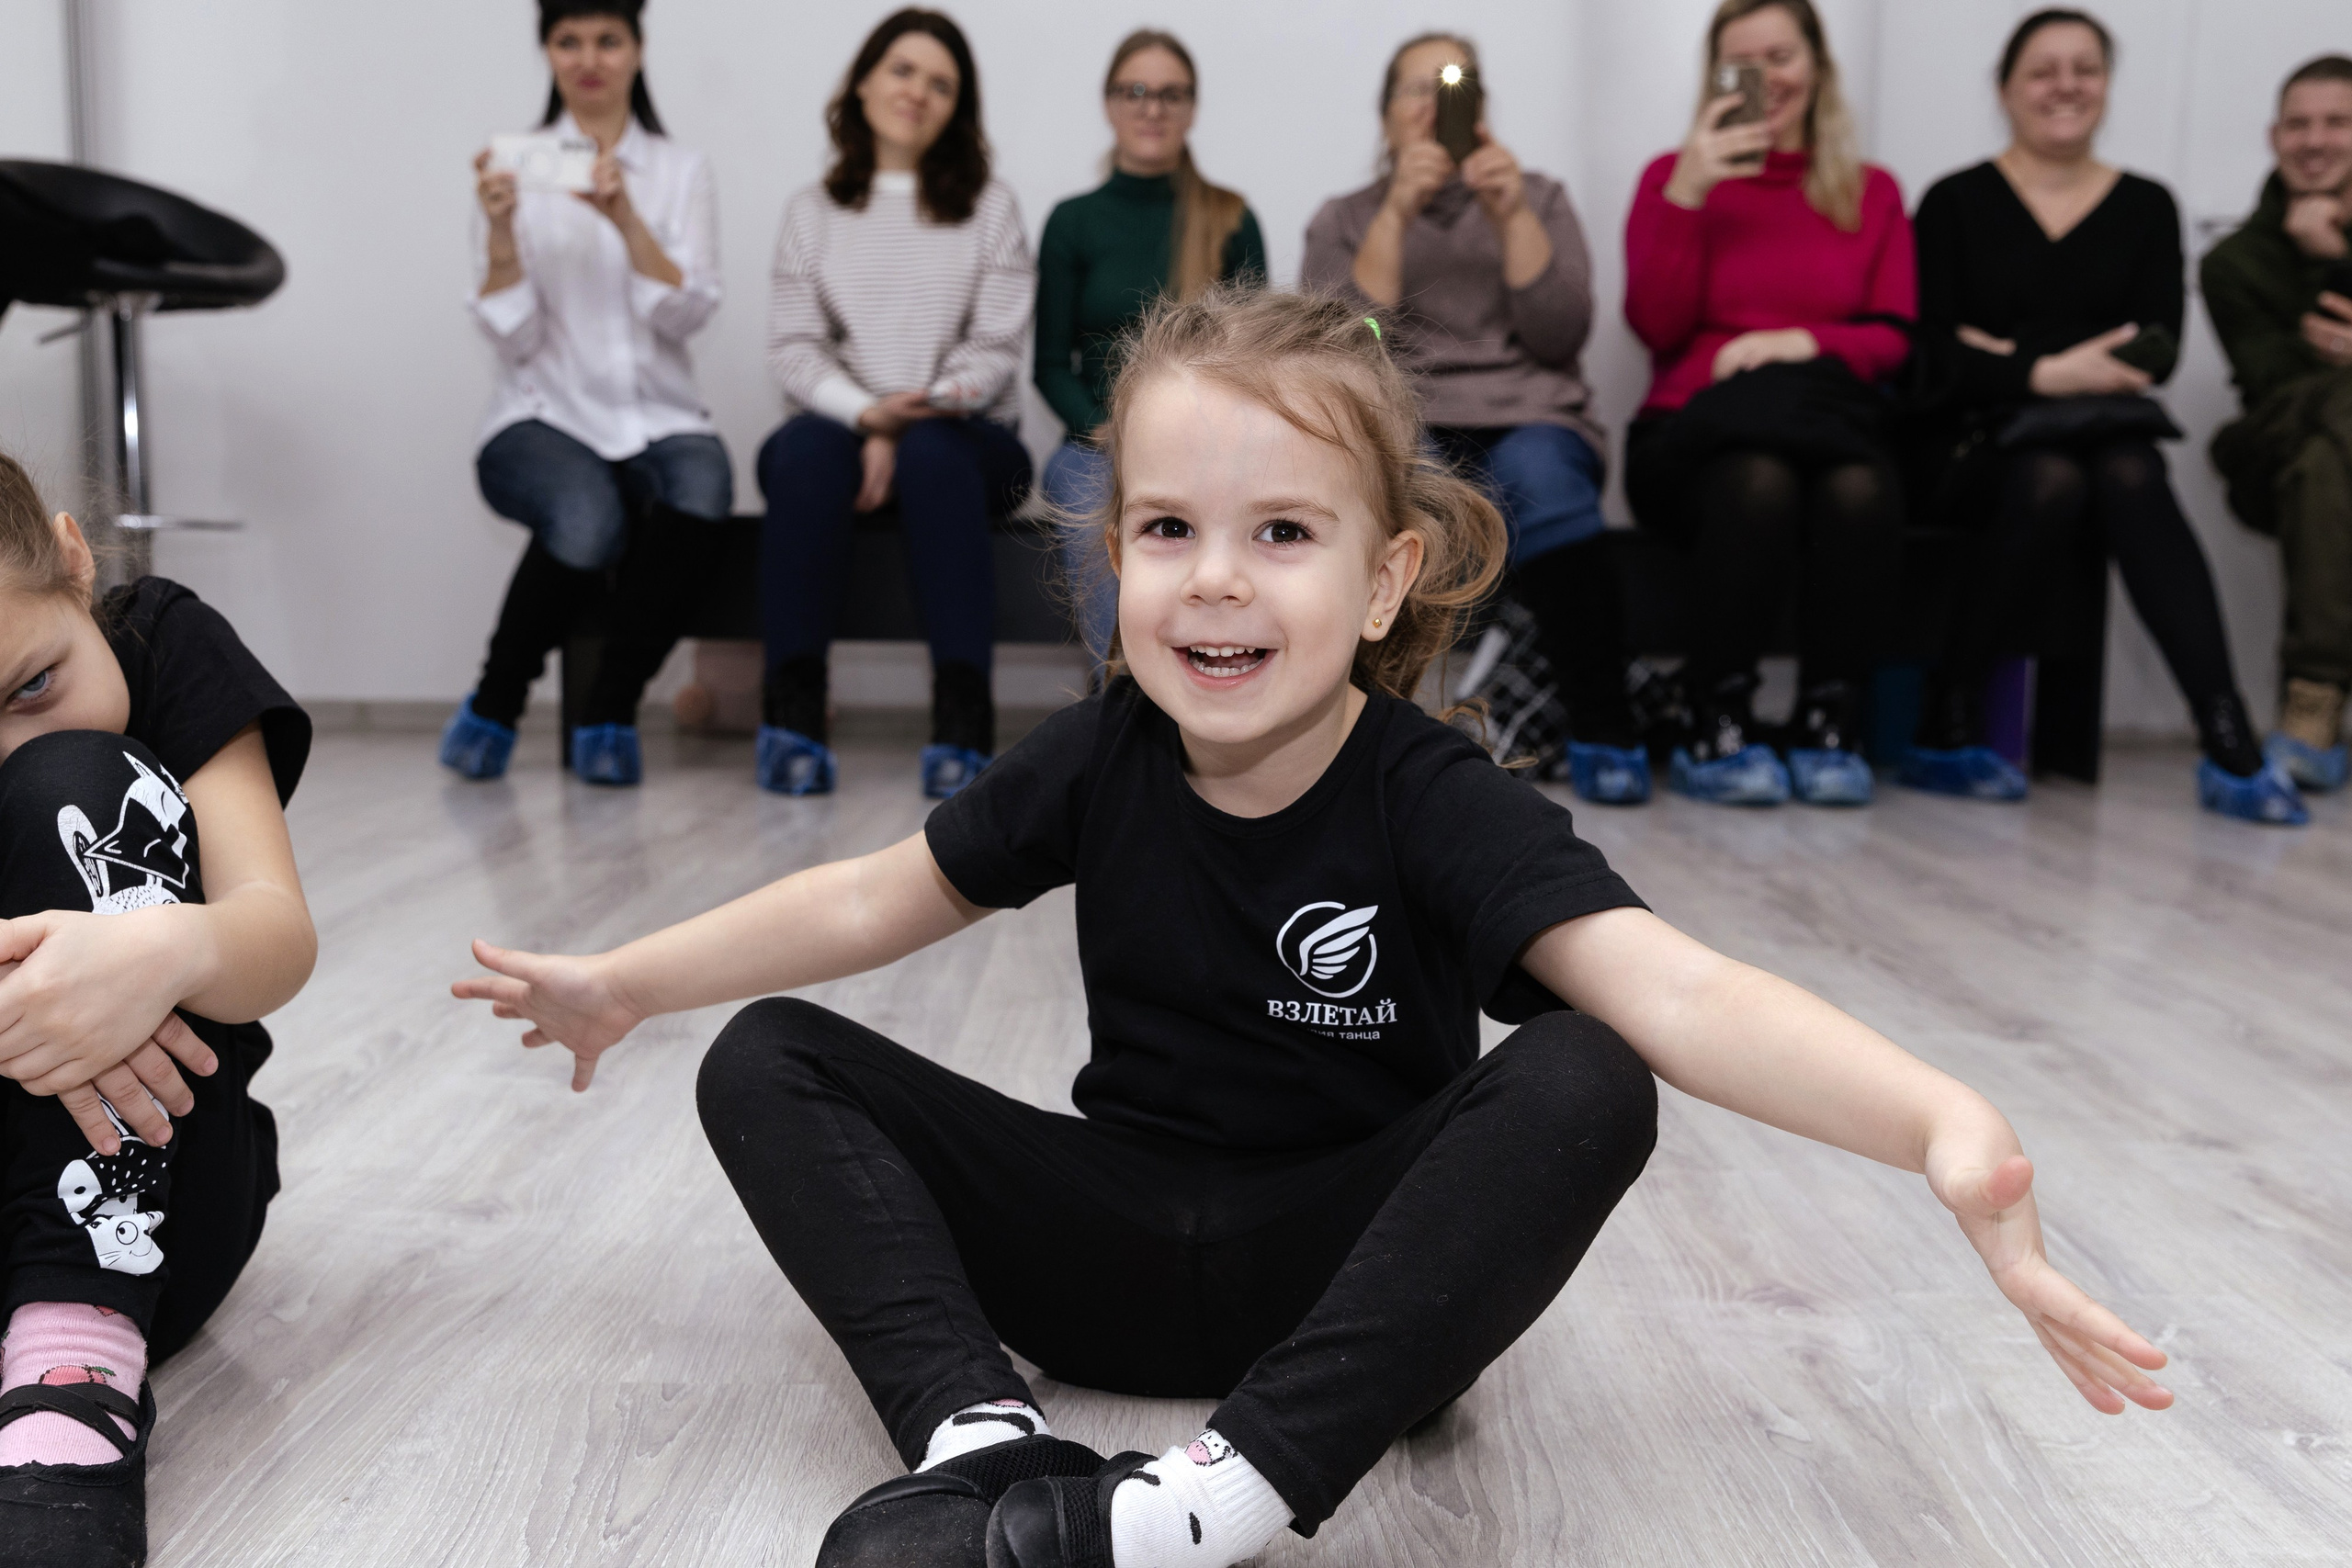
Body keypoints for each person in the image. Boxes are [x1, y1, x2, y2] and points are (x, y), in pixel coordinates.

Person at [454, 289, 2172, 1568]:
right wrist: (626, 978)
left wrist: (1946, 1122)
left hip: (1344, 1293)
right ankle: (977, 1437)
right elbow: (863, 896)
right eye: (1171, 531)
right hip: (1109, 1245)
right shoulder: (1103, 753)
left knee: (1588, 1069)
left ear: (1380, 581)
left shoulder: (1436, 796)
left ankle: (1214, 1503)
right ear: (1113, 563)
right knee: (769, 1059)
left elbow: (1684, 990)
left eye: (1282, 534)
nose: (1217, 578)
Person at [0, 454, 314, 1566]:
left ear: (77, 565)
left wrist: (160, 949)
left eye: (33, 684)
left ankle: (75, 1358)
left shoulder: (166, 642)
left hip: (152, 1223)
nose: (11, 741)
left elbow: (277, 936)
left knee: (75, 782)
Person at [1904, 10, 2304, 824]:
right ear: (2006, 90)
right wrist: (2054, 367)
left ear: (2107, 86)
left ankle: (2224, 730)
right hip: (1972, 448)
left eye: (2085, 69)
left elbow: (2155, 348)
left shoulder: (2147, 205)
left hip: (2100, 436)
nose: (2066, 87)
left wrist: (2009, 358)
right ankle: (1949, 716)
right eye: (2044, 71)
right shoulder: (1952, 201)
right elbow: (1934, 357)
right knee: (2056, 476)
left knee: (2122, 468)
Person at [1306, 33, 1645, 805]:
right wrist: (1396, 212)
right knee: (1402, 478)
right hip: (1406, 415)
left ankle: (1605, 726)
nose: (1433, 107)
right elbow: (1350, 350)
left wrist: (1511, 212)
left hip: (1529, 415)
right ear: (1385, 116)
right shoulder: (1347, 218)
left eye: (1452, 89)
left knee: (1542, 475)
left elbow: (1560, 334)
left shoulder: (1540, 197)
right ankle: (1376, 739)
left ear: (1480, 110)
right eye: (1414, 91)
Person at [1623, 0, 1913, 807]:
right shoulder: (1671, 177)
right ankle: (1716, 719)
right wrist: (1687, 192)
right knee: (1759, 480)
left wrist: (1801, 342)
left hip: (1824, 431)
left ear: (1817, 64)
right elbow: (1656, 324)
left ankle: (1830, 719)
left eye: (1781, 56)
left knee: (1861, 489)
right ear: (1716, 79)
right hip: (1689, 440)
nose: (1768, 80)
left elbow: (1896, 337)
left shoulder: (1871, 191)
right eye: (1743, 64)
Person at [438, 0, 732, 789]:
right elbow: (512, 339)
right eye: (568, 41)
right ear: (547, 52)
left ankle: (610, 708)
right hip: (540, 413)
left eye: (608, 39)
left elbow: (690, 309)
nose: (588, 57)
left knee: (705, 484)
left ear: (638, 51)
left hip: (660, 415)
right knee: (586, 514)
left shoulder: (679, 170)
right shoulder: (514, 167)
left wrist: (625, 217)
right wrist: (501, 230)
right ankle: (496, 703)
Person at [759, 7, 1035, 801]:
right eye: (903, 70)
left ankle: (961, 723)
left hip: (970, 440)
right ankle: (794, 718)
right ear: (865, 80)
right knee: (806, 452)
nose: (919, 92)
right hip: (842, 433)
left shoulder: (991, 208)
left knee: (932, 454)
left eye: (942, 83)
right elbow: (793, 349)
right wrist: (865, 419)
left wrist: (899, 422)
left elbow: (993, 351)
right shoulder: (812, 214)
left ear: (959, 108)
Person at [1037, 29, 1267, 676]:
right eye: (1135, 91)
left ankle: (1205, 687)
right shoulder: (1071, 222)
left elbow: (1256, 355)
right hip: (1095, 444)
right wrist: (1103, 428)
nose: (1152, 107)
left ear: (1192, 109)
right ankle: (1129, 696)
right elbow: (1050, 365)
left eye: (1170, 94)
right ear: (1109, 104)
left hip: (1212, 439)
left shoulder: (1230, 218)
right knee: (1085, 498)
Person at [2204, 53, 2352, 795]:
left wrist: (2342, 252)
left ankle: (2314, 697)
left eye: (2337, 122)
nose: (2315, 140)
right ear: (2274, 136)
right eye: (2299, 123)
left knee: (2327, 464)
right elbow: (2278, 386)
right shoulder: (2235, 260)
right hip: (2266, 447)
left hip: (2317, 465)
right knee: (2330, 416)